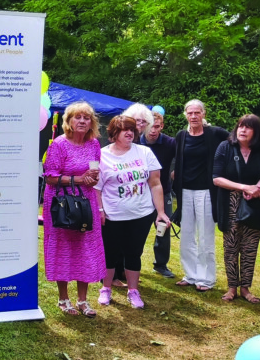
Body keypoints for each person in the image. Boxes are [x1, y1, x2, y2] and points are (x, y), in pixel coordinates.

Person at [95, 112, 171, 309]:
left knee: (133, 253)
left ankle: (133, 291)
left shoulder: (144, 153)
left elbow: (155, 184)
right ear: (114, 133)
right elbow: (97, 188)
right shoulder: (102, 155)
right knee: (109, 253)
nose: (129, 133)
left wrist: (160, 212)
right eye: (124, 130)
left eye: (131, 129)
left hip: (141, 215)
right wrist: (100, 210)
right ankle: (106, 289)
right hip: (112, 215)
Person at [43, 101, 105, 317]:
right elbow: (50, 177)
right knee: (63, 250)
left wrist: (92, 179)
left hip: (86, 202)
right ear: (68, 121)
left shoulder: (94, 144)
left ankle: (83, 300)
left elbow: (94, 173)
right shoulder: (59, 144)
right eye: (77, 117)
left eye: (86, 118)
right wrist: (79, 179)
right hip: (63, 204)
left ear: (91, 123)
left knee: (85, 250)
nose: (81, 121)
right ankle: (63, 299)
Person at [212, 115, 260, 303]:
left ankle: (245, 289)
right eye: (240, 126)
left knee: (250, 247)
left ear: (256, 132)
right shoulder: (225, 147)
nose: (243, 130)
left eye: (248, 127)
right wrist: (244, 188)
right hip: (231, 201)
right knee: (231, 247)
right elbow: (216, 178)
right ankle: (231, 288)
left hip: (255, 202)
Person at [172, 99, 229, 292]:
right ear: (185, 115)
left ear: (204, 114)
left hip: (206, 191)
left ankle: (206, 279)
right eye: (190, 113)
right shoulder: (181, 136)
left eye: (197, 112)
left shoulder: (214, 133)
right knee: (187, 235)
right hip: (185, 191)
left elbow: (235, 142)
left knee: (205, 236)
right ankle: (190, 274)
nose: (194, 116)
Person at [141, 108, 177, 278]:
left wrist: (176, 171)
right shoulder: (134, 142)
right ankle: (131, 263)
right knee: (137, 231)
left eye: (156, 127)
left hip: (164, 192)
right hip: (139, 194)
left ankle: (161, 264)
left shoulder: (171, 143)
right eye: (150, 126)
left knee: (163, 227)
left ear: (162, 126)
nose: (153, 131)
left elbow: (185, 158)